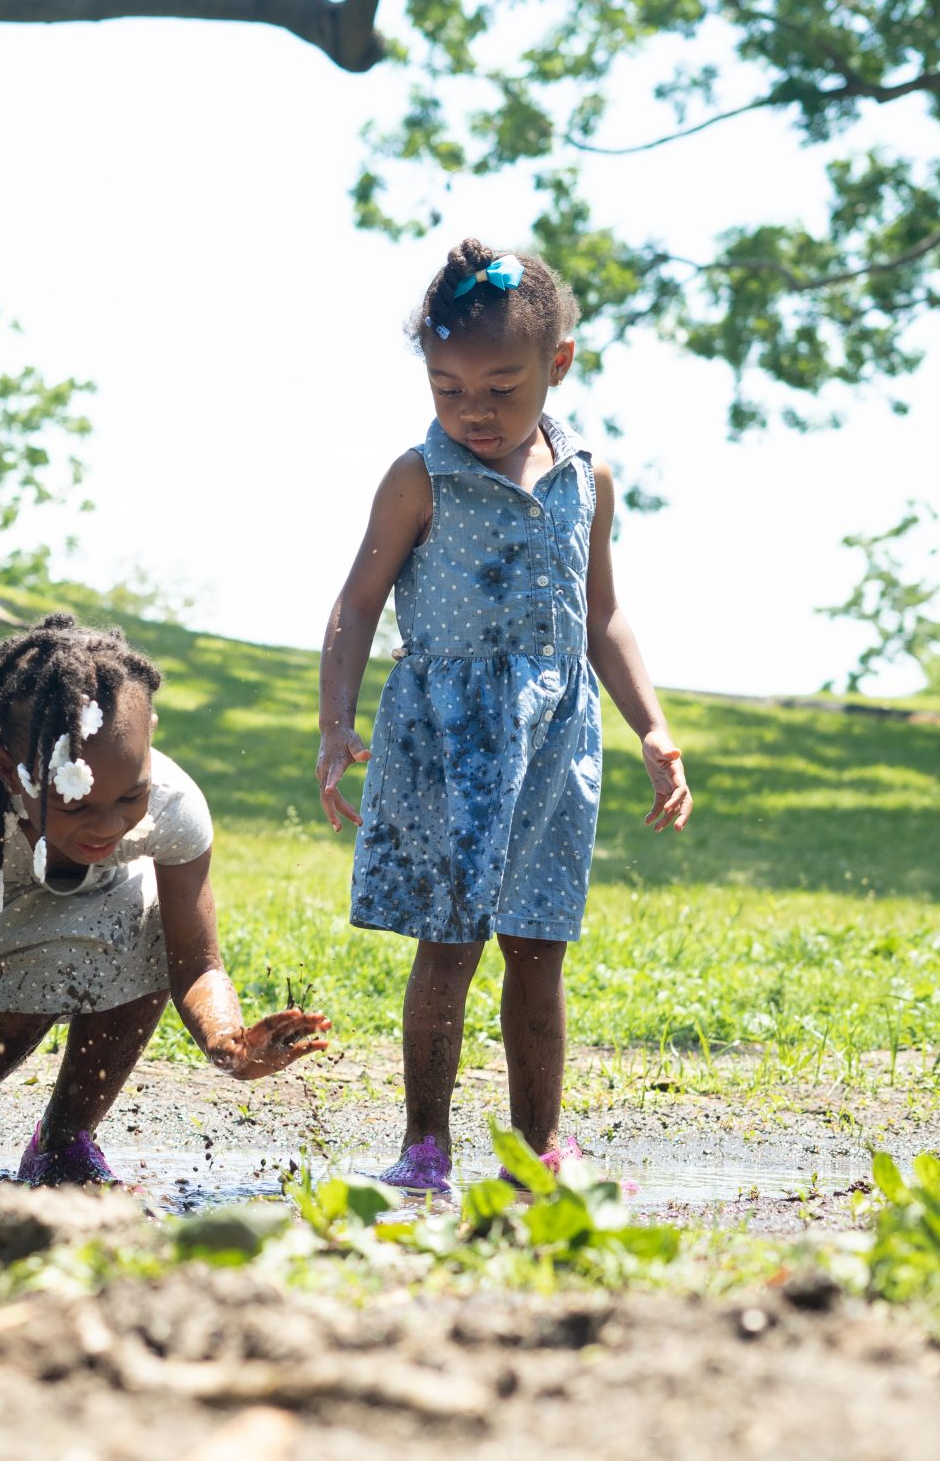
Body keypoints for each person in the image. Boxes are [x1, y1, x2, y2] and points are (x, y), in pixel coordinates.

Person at [315, 238, 693, 1195]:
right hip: (448, 735)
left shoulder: (587, 477)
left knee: (539, 946)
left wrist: (650, 724)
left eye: (499, 387)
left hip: (556, 744)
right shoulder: (420, 477)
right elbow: (357, 601)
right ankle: (425, 1144)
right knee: (450, 941)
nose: (473, 410)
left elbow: (601, 613)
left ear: (557, 363)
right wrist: (335, 721)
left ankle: (537, 1145)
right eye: (448, 389)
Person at [0, 614, 332, 1196]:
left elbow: (195, 964)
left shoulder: (169, 806)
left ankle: (63, 1143)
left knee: (139, 926)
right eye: (77, 803)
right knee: (25, 970)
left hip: (65, 864)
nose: (108, 823)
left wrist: (228, 1044)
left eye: (129, 794)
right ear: (12, 771)